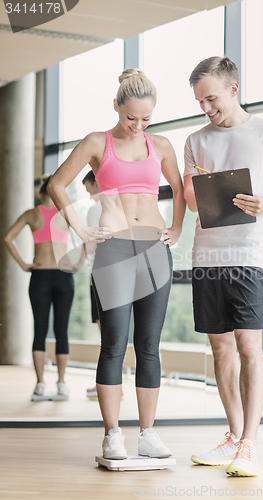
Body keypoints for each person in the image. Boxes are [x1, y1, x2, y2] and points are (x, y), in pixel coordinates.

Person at [47, 69, 186, 460]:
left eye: (146, 119)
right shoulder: (97, 142)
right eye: (131, 118)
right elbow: (58, 184)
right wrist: (80, 229)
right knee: (113, 345)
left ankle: (148, 433)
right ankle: (112, 434)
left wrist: (176, 226)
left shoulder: (160, 145)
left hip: (155, 250)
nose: (138, 125)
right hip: (114, 251)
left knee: (149, 346)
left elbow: (177, 189)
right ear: (116, 107)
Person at [183, 56, 263, 477]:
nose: (206, 109)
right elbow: (192, 200)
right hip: (207, 255)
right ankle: (233, 436)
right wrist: (201, 184)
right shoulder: (196, 139)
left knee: (249, 345)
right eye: (199, 102)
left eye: (211, 99)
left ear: (234, 88)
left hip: (250, 256)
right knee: (220, 347)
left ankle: (250, 444)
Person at [4, 174, 80, 399]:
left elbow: (8, 237)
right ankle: (62, 383)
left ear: (40, 193)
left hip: (39, 276)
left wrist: (23, 264)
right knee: (61, 331)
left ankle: (39, 384)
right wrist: (77, 263)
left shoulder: (31, 214)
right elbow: (87, 237)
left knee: (39, 330)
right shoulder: (66, 213)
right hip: (64, 277)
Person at [82, 170, 102, 400]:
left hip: (98, 275)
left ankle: (106, 385)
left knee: (105, 335)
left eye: (90, 189)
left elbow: (91, 245)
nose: (89, 196)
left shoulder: (94, 210)